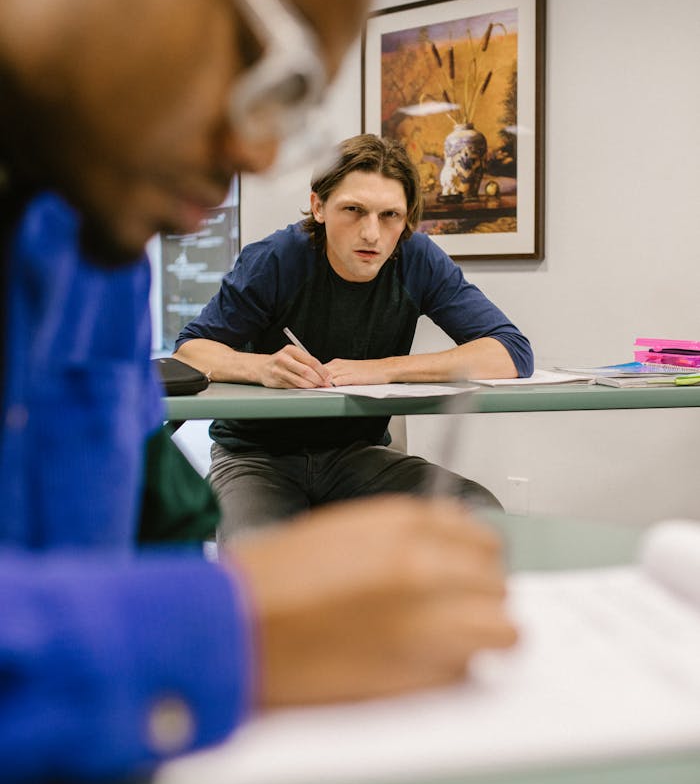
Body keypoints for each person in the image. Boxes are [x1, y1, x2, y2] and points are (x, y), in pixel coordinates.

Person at [0, 0, 518, 784]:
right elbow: (198, 363)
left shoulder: (98, 233)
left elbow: (120, 549)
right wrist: (233, 627)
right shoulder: (199, 232)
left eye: (287, 102)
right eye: (251, 47)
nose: (248, 148)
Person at [175, 134, 534, 539]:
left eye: (390, 216)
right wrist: (262, 366)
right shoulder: (277, 259)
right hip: (256, 457)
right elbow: (190, 350)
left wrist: (383, 370)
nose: (372, 234)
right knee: (258, 558)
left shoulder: (416, 259)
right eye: (354, 210)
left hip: (356, 456)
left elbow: (510, 352)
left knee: (478, 512)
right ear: (319, 206)